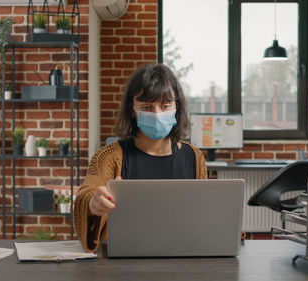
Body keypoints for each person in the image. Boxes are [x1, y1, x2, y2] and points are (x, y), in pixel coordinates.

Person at [73, 64, 207, 252]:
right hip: (123, 258)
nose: (157, 114)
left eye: (165, 105)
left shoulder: (194, 157)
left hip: (181, 254)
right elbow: (88, 192)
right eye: (146, 107)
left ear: (177, 106)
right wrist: (93, 205)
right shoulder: (109, 157)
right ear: (132, 109)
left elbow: (203, 213)